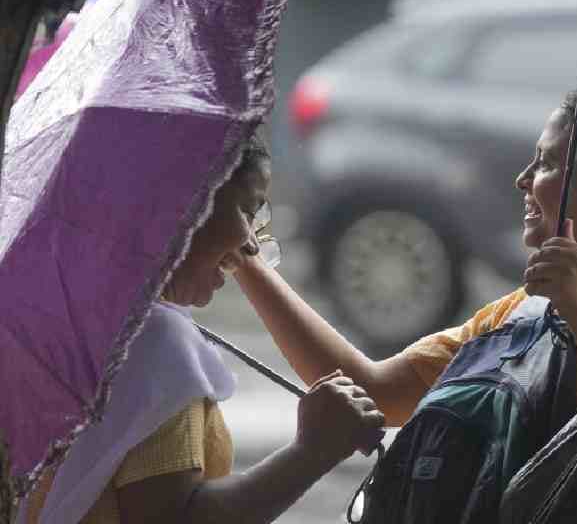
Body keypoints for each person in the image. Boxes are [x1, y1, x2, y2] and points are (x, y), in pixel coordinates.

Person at [232, 83, 577, 497]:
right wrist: (246, 258)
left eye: (547, 163)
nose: (522, 180)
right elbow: (376, 392)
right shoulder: (527, 310)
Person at [22, 132, 386, 524]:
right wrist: (313, 450)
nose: (250, 244)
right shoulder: (154, 347)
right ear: (184, 206)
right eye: (247, 210)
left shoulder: (64, 318)